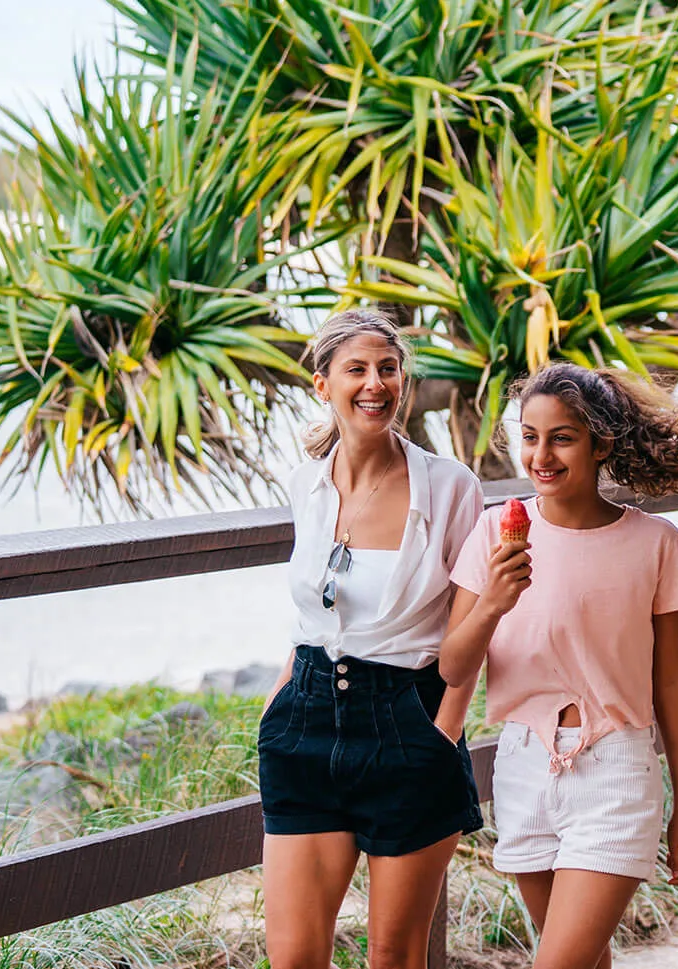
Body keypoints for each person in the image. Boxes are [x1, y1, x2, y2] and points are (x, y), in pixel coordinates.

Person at [441, 364, 678, 969]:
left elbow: (672, 679)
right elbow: (454, 667)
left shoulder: (655, 541)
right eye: (530, 435)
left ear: (601, 443)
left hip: (616, 768)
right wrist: (493, 603)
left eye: (562, 437)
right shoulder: (493, 532)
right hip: (523, 766)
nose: (542, 454)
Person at [258, 308, 486, 969]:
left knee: (393, 955)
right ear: (321, 384)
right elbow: (312, 618)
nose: (375, 384)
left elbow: (467, 627)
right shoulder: (305, 485)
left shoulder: (449, 488)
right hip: (304, 724)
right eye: (356, 369)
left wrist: (441, 736)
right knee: (294, 958)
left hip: (408, 722)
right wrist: (279, 706)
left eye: (388, 369)